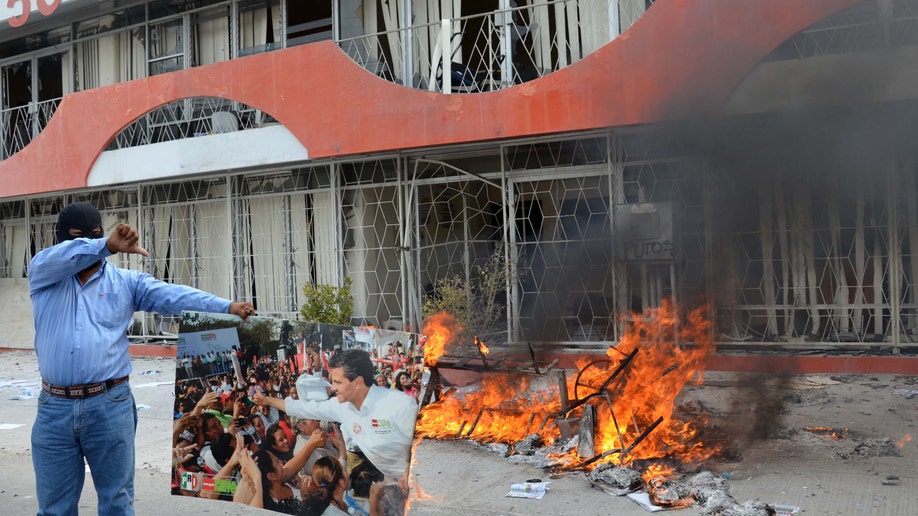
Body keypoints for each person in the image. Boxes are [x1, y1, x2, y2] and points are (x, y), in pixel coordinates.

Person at [29, 202, 256, 516]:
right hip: (54, 410)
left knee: (117, 504)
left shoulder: (126, 283)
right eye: (78, 237)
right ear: (61, 239)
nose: (88, 244)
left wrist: (226, 306)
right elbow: (68, 254)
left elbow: (174, 295)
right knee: (54, 509)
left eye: (95, 235)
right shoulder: (44, 272)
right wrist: (105, 244)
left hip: (109, 405)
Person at [253, 349, 418, 487]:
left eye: (338, 382)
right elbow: (305, 408)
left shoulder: (400, 404)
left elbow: (423, 445)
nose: (333, 388)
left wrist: (409, 471)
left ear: (358, 382)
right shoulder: (341, 407)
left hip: (417, 479)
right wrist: (268, 400)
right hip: (390, 482)